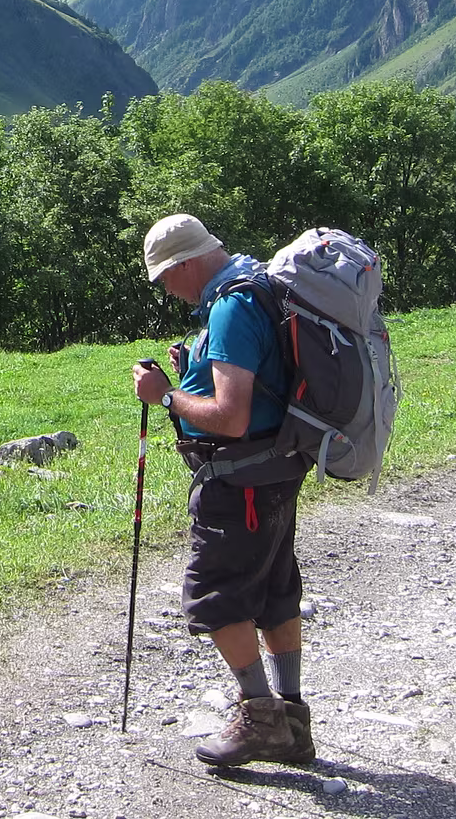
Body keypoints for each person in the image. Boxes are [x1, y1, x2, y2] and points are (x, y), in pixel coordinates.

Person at [130, 213, 314, 768]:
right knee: (275, 590)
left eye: (165, 277)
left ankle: (262, 720)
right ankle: (292, 718)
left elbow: (231, 418)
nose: (167, 290)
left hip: (240, 482)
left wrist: (165, 396)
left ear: (186, 263)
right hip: (275, 470)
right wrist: (194, 370)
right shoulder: (257, 286)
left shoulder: (232, 306)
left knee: (215, 595)